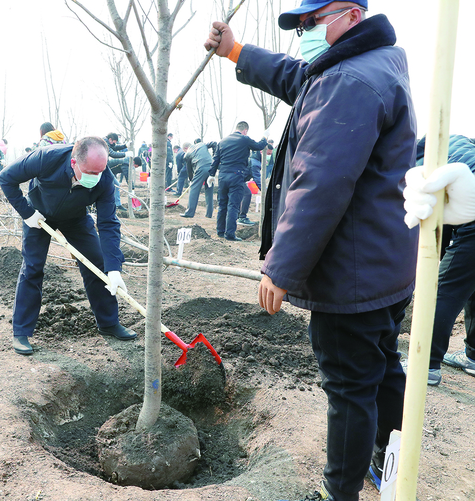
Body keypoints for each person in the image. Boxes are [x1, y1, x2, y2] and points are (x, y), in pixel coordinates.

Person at [206, 1, 417, 500]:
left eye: (311, 23)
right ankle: (391, 462)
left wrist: (279, 268)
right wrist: (237, 52)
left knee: (348, 386)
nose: (304, 33)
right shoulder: (371, 63)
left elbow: (319, 184)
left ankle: (338, 493)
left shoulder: (350, 83)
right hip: (385, 263)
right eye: (301, 24)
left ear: (351, 17)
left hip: (352, 273)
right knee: (381, 366)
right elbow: (297, 77)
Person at [0, 136, 137, 355]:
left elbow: (108, 223)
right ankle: (21, 331)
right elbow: (6, 178)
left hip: (76, 218)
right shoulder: (46, 158)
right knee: (33, 267)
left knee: (97, 264)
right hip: (39, 214)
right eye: (91, 173)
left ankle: (109, 323)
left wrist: (114, 267)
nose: (96, 178)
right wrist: (27, 213)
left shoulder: (105, 179)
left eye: (100, 172)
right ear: (74, 162)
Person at [403, 135, 475, 387]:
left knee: (445, 288)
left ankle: (425, 366)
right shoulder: (458, 143)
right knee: (471, 285)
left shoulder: (420, 162)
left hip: (472, 216)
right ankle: (473, 357)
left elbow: (433, 223)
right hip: (468, 207)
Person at [209, 122, 267, 240]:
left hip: (222, 176)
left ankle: (220, 231)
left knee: (222, 205)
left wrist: (211, 174)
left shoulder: (222, 141)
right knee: (233, 205)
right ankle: (230, 234)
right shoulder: (244, 139)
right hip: (236, 176)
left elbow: (215, 159)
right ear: (245, 130)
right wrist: (265, 137)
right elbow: (259, 146)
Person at [180, 139, 216, 219]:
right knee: (209, 190)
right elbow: (214, 143)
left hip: (201, 168)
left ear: (185, 149)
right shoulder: (202, 144)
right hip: (211, 168)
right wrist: (214, 158)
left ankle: (189, 212)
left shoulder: (187, 154)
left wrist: (191, 180)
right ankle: (209, 213)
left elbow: (189, 170)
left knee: (194, 189)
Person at [238, 148, 265, 226]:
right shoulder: (255, 163)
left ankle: (237, 215)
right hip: (238, 180)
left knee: (239, 196)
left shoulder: (252, 158)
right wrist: (265, 191)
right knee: (247, 194)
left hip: (236, 178)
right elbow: (257, 179)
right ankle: (242, 217)